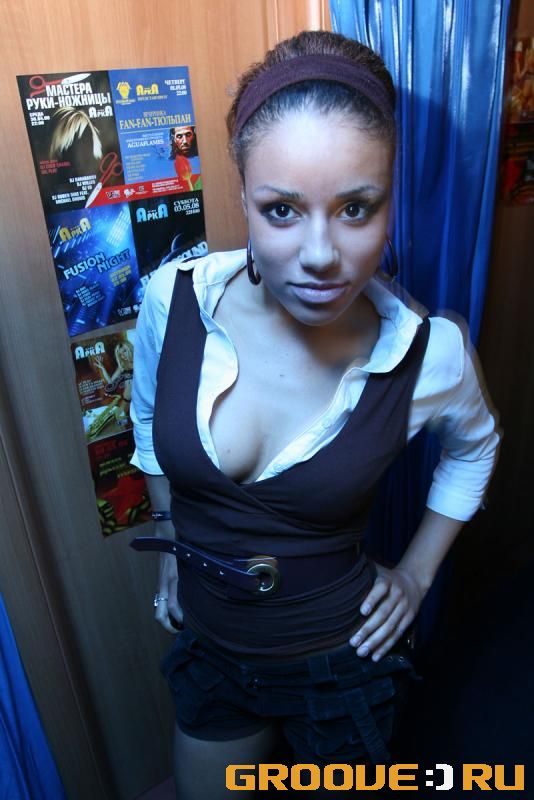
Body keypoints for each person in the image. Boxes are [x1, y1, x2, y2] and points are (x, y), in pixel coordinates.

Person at [130, 30, 499, 799]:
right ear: (244, 200)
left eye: (355, 208)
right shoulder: (175, 300)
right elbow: (148, 423)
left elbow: (476, 448)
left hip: (338, 662)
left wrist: (417, 574)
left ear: (390, 202)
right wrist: (171, 544)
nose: (322, 254)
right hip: (211, 655)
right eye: (283, 210)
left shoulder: (425, 354)